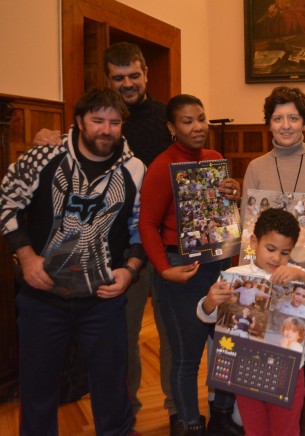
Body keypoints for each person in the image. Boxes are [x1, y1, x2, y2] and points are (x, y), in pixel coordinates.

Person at [32, 42, 183, 427]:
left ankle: (177, 412)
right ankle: (125, 413)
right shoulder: (97, 118)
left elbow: (192, 162)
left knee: (172, 334)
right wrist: (48, 134)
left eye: (134, 75)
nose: (128, 83)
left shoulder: (169, 116)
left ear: (146, 72)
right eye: (119, 78)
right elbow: (68, 150)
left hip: (167, 244)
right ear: (107, 79)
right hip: (123, 252)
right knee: (123, 338)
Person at [0, 88, 145, 435]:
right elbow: (6, 202)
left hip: (103, 301)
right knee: (37, 391)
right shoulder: (43, 157)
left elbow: (142, 227)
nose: (106, 130)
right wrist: (25, 254)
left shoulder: (137, 169)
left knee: (112, 390)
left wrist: (130, 270)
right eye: (97, 120)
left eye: (114, 122)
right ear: (79, 121)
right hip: (42, 298)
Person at [241, 85, 305, 435]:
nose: (286, 125)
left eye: (293, 118)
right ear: (268, 124)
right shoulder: (255, 167)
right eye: (278, 118)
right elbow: (247, 229)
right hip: (267, 289)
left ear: (304, 122)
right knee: (274, 361)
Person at [138, 94, 241, 435]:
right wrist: (163, 268)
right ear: (171, 127)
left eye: (202, 118)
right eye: (187, 121)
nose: (198, 127)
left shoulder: (214, 159)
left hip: (219, 263)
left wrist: (233, 191)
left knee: (227, 347)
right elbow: (147, 224)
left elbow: (224, 213)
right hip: (181, 269)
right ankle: (190, 423)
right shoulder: (160, 166)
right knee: (186, 354)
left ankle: (222, 417)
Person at [196, 208, 305, 436]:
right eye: (270, 249)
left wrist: (302, 277)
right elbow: (207, 314)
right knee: (255, 429)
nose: (277, 258)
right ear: (254, 241)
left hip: (288, 372)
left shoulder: (294, 272)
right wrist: (209, 302)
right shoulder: (234, 273)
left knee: (286, 430)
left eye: (285, 252)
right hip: (246, 370)